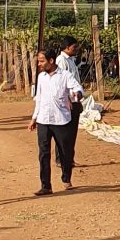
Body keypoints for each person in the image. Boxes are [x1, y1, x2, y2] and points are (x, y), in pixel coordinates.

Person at [30, 49, 77, 194]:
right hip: (44, 120)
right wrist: (34, 118)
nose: (39, 64)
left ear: (51, 61)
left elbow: (77, 88)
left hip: (61, 119)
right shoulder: (41, 77)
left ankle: (66, 177)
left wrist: (76, 94)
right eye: (39, 61)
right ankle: (46, 186)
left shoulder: (65, 75)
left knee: (65, 151)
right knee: (43, 153)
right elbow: (39, 98)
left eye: (42, 61)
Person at [55, 37, 84, 177]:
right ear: (66, 47)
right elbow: (61, 83)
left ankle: (69, 158)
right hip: (67, 101)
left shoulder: (70, 60)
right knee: (63, 132)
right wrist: (68, 100)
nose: (75, 49)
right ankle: (61, 159)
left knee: (71, 132)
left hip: (74, 98)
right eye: (74, 47)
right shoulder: (61, 61)